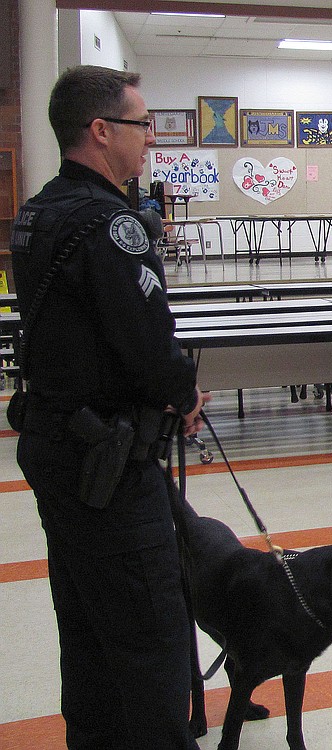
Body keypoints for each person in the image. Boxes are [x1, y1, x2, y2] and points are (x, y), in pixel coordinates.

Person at [9, 65, 209, 749]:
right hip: (111, 465)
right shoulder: (114, 226)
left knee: (89, 629)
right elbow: (148, 344)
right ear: (100, 131)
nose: (149, 137)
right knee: (150, 636)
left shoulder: (36, 213)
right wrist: (183, 393)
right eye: (142, 124)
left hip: (57, 445)